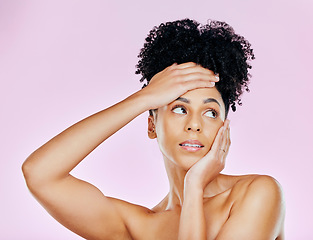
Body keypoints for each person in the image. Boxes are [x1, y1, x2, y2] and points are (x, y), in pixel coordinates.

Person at [22, 18, 285, 239]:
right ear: (152, 125)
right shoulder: (140, 226)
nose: (194, 124)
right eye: (179, 108)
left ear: (223, 128)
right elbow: (40, 174)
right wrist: (142, 99)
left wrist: (194, 187)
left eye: (210, 112)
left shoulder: (257, 193)